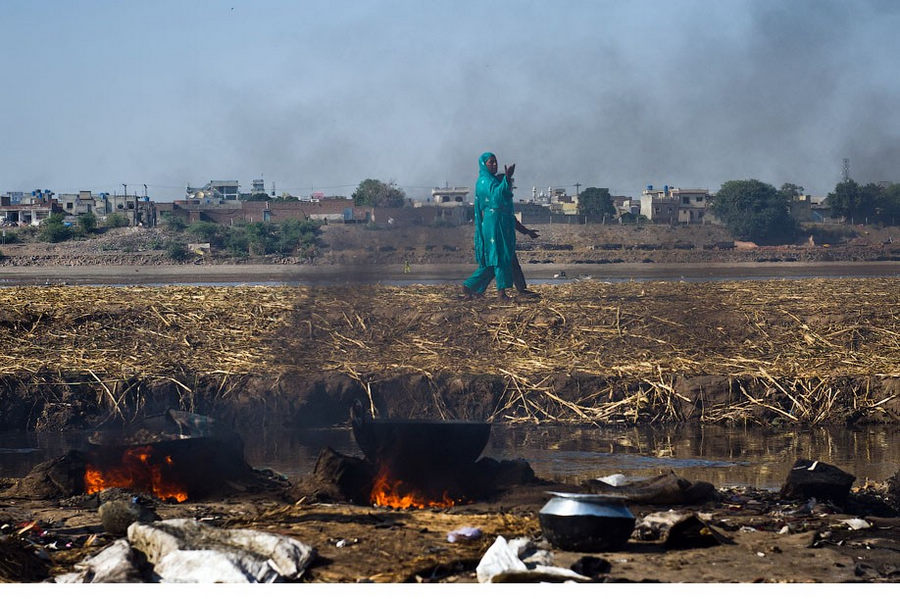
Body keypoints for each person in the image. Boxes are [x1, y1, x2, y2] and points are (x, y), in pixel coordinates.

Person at [461, 152, 536, 300]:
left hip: (502, 225)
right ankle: (498, 292)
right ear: (484, 164)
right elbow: (496, 197)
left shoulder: (495, 184)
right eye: (491, 162)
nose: (494, 165)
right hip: (494, 225)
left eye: (496, 162)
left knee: (507, 259)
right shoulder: (484, 182)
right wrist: (506, 178)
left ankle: (474, 288)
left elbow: (511, 217)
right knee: (500, 258)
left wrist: (527, 231)